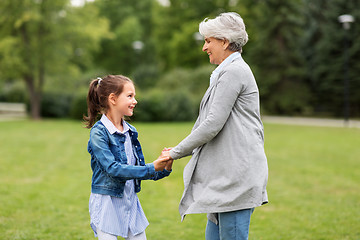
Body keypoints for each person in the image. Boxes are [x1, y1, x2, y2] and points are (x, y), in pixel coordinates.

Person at [162, 12, 268, 240]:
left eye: (208, 41)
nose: (204, 47)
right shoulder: (225, 72)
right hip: (224, 178)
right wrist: (177, 150)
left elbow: (212, 124)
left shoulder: (234, 71)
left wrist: (175, 152)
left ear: (225, 41)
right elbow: (206, 123)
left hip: (236, 179)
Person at [84, 75, 173, 240]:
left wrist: (164, 167)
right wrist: (152, 167)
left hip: (130, 201)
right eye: (130, 96)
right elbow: (113, 169)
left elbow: (136, 169)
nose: (135, 101)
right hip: (107, 202)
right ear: (113, 99)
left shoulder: (130, 131)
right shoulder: (99, 132)